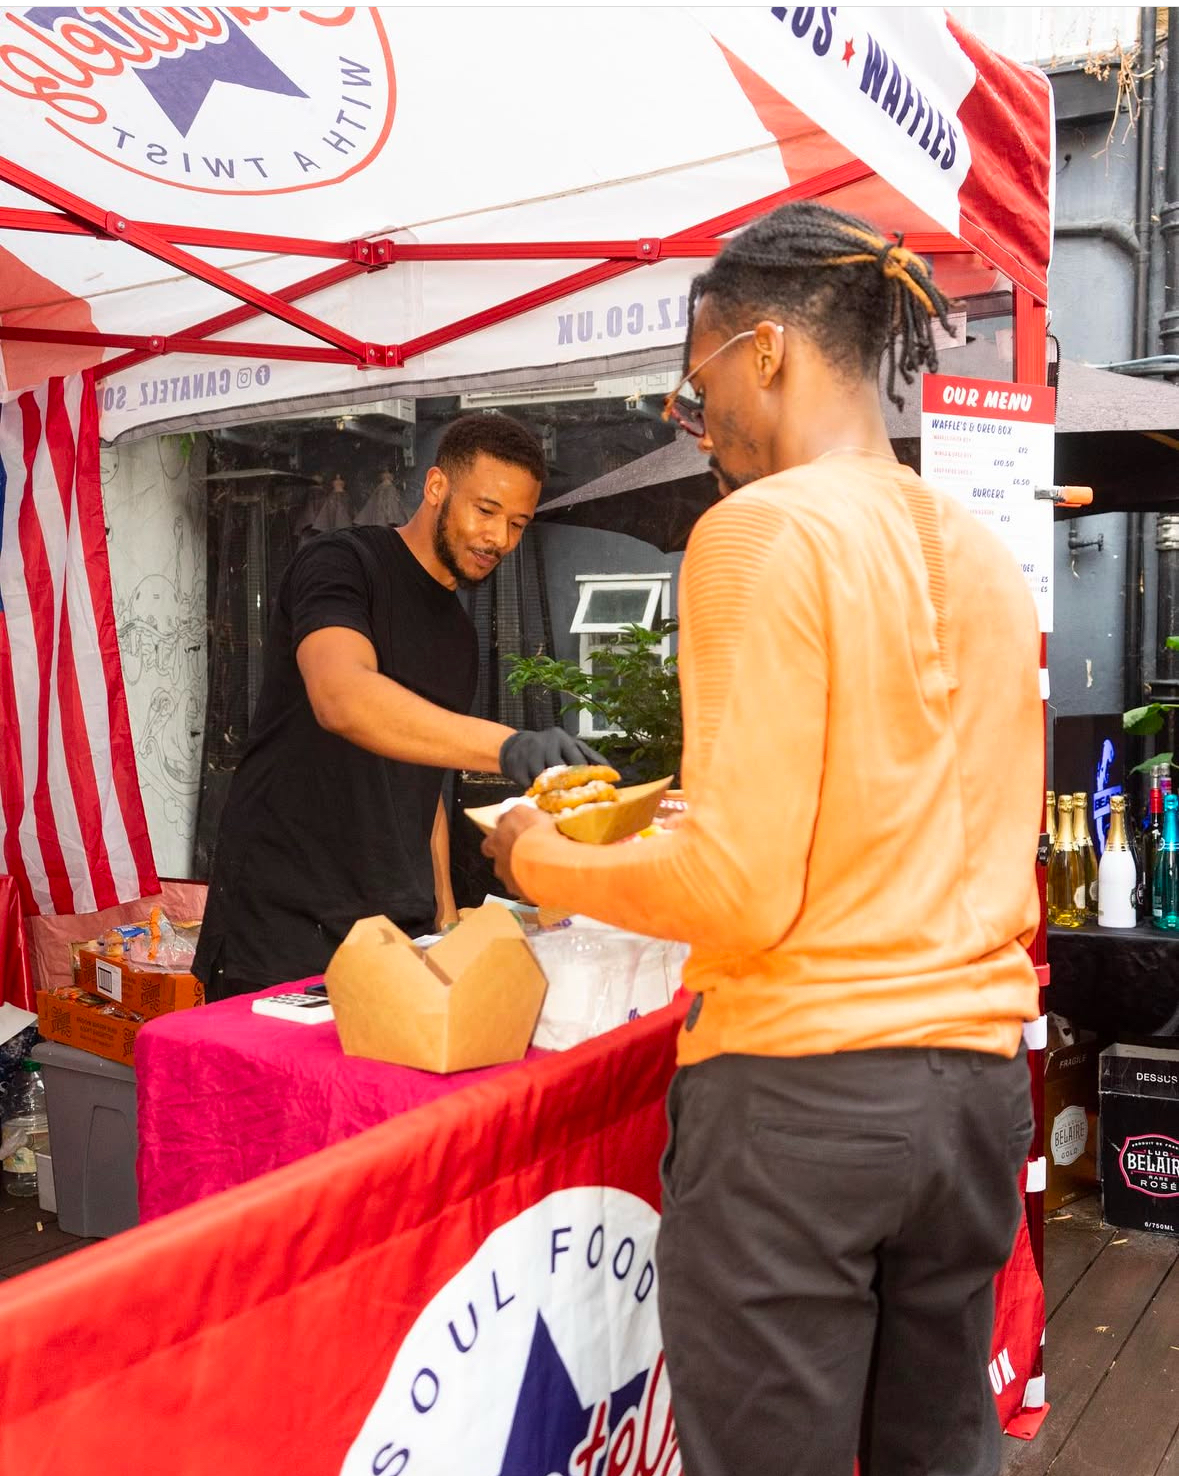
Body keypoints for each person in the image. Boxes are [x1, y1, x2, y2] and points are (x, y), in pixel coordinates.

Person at [483, 202, 1042, 1476]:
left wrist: (534, 857)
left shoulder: (757, 532)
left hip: (804, 1100)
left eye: (699, 382)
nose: (700, 417)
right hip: (971, 1092)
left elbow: (733, 889)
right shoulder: (983, 553)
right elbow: (921, 811)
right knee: (937, 1452)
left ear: (768, 351)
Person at [194, 412, 601, 1000]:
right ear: (437, 487)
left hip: (389, 931)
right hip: (281, 924)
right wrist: (509, 746)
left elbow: (425, 786)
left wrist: (441, 917)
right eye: (485, 512)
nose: (499, 540)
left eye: (518, 523)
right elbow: (343, 697)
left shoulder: (459, 636)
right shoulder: (343, 563)